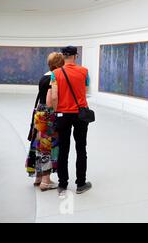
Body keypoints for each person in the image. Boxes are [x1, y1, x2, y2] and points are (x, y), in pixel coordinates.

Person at [51, 46, 92, 195]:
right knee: (81, 148)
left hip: (63, 114)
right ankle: (81, 183)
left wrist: (57, 111)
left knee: (63, 149)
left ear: (63, 56)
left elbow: (54, 96)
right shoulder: (84, 71)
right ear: (76, 56)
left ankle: (62, 184)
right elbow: (87, 92)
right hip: (80, 114)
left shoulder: (55, 73)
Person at [26, 52, 65, 192]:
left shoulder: (44, 76)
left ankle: (38, 177)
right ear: (60, 64)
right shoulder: (53, 78)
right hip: (48, 114)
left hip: (39, 113)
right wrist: (57, 112)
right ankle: (46, 181)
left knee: (38, 144)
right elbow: (50, 99)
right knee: (48, 146)